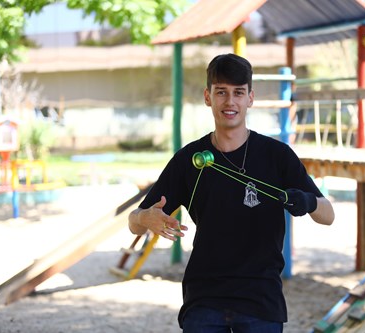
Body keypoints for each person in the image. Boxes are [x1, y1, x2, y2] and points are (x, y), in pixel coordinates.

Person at [128, 53, 335, 333]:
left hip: (261, 300)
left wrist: (309, 201)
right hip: (204, 300)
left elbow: (328, 215)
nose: (230, 102)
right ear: (207, 96)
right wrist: (144, 219)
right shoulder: (189, 159)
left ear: (250, 97)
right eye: (221, 92)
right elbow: (133, 222)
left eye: (238, 93)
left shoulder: (277, 155)